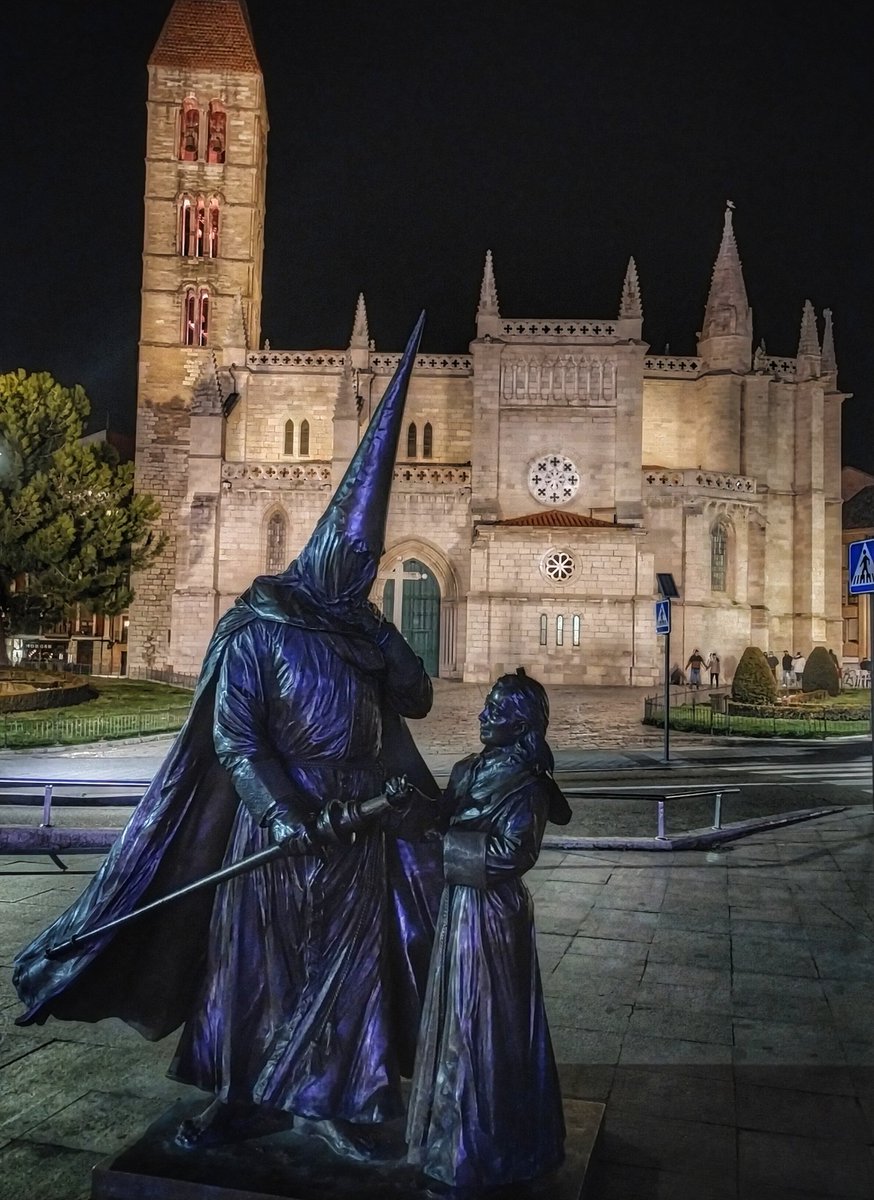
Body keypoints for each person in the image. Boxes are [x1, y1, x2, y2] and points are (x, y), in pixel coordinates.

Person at [13, 314, 444, 1159]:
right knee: (257, 964)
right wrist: (283, 813)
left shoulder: (359, 630)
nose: (361, 580)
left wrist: (380, 632)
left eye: (370, 572)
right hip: (280, 823)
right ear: (321, 556)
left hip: (355, 826)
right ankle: (244, 1098)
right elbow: (237, 740)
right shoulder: (258, 627)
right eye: (353, 568)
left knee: (349, 966)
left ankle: (339, 1101)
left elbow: (418, 699)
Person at [406, 669, 570, 1192]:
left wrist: (444, 846)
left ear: (520, 725)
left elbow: (514, 853)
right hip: (459, 905)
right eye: (487, 706)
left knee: (487, 1021)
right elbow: (441, 818)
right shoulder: (467, 769)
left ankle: (490, 1147)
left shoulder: (530, 787)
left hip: (495, 914)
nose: (483, 715)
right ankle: (451, 1140)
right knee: (457, 1015)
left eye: (496, 711)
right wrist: (412, 806)